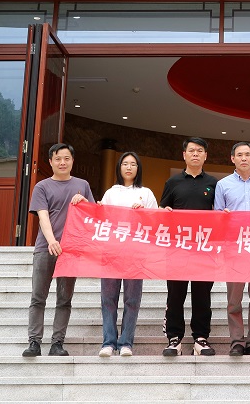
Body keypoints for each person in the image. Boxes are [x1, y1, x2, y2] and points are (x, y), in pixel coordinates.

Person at [22, 143, 94, 357]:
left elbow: (93, 215)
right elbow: (42, 215)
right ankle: (34, 342)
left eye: (66, 158)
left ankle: (57, 344)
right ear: (51, 161)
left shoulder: (82, 185)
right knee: (38, 297)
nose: (62, 162)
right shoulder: (42, 186)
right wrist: (52, 240)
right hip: (46, 248)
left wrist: (84, 202)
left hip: (71, 251)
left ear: (72, 160)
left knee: (64, 299)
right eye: (58, 159)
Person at [160, 137, 219, 357]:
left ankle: (200, 338)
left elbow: (219, 214)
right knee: (176, 294)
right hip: (178, 248)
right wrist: (163, 212)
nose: (195, 154)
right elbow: (162, 211)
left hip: (204, 249)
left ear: (205, 156)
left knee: (202, 295)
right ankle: (174, 338)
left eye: (200, 150)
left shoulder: (214, 183)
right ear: (184, 155)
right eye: (192, 150)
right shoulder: (172, 182)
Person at [98, 151, 158, 357]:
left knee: (132, 300)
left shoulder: (146, 193)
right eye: (125, 163)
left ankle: (126, 343)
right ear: (119, 167)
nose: (129, 167)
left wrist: (144, 212)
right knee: (108, 299)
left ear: (138, 168)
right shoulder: (110, 193)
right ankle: (108, 342)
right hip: (111, 252)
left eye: (133, 164)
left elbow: (156, 222)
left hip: (135, 253)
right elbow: (101, 220)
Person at [214, 142, 250, 356]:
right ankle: (237, 341)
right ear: (233, 158)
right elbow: (217, 217)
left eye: (247, 154)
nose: (244, 158)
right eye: (240, 155)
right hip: (234, 248)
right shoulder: (223, 185)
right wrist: (224, 217)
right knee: (233, 300)